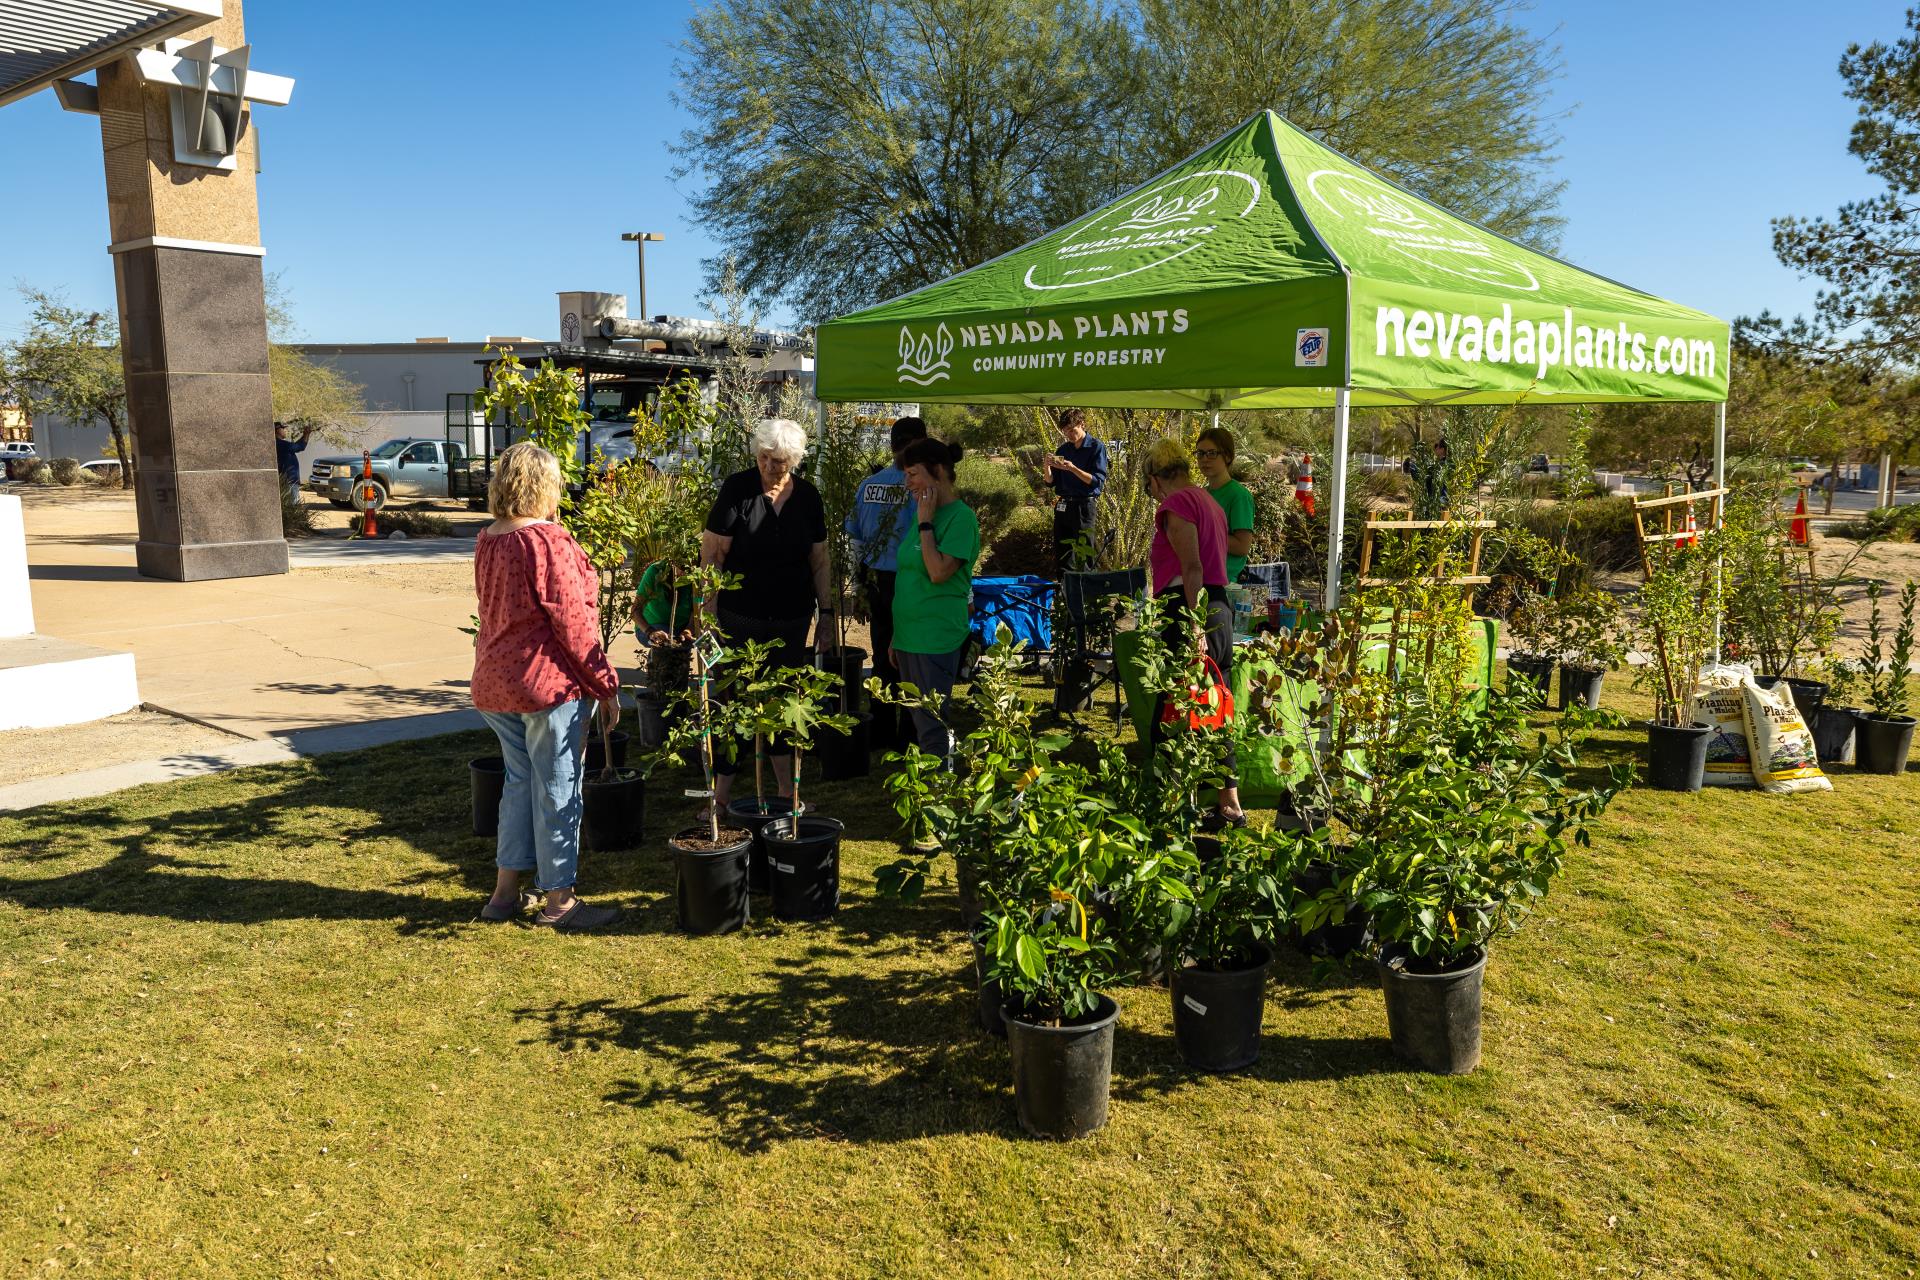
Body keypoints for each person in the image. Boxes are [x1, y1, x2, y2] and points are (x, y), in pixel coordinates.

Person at [470, 442, 622, 931]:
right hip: (545, 685)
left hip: (495, 681)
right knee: (558, 786)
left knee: (519, 784)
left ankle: (503, 895)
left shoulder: (488, 537)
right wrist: (605, 683)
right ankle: (559, 902)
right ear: (544, 485)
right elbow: (573, 623)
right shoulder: (548, 540)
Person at [700, 417, 833, 809]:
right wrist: (707, 618)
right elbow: (712, 557)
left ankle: (786, 793)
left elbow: (820, 560)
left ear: (793, 461)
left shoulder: (808, 497)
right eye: (764, 458)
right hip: (739, 618)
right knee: (731, 701)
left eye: (779, 461)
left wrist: (826, 613)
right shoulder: (737, 490)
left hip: (792, 619)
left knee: (784, 702)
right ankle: (721, 799)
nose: (770, 467)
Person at [1144, 437, 1244, 827]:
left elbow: (1192, 568)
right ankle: (1229, 803)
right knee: (1217, 707)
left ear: (1156, 478)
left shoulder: (1177, 503)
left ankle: (1169, 804)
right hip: (1218, 607)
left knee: (1172, 711)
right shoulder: (1210, 502)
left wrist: (1194, 623)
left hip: (1190, 609)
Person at [890, 437, 980, 762]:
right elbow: (910, 576)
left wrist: (926, 524)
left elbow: (938, 572)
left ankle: (937, 796)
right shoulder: (922, 515)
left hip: (936, 638)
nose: (907, 482)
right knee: (919, 719)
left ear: (938, 471)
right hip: (909, 638)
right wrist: (896, 636)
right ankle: (928, 790)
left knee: (932, 723)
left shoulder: (960, 518)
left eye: (913, 473)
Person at [844, 415, 928, 699]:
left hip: (875, 581)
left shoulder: (868, 485)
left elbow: (854, 540)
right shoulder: (920, 488)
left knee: (882, 654)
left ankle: (881, 724)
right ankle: (909, 730)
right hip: (912, 582)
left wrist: (857, 588)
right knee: (912, 658)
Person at [1044, 408, 1108, 573]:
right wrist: (1047, 466)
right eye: (1066, 432)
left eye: (1073, 430)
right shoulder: (1063, 450)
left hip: (1084, 507)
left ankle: (1087, 594)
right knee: (1062, 553)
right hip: (1063, 506)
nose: (1069, 435)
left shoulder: (1096, 447)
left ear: (1082, 424)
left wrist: (1073, 469)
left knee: (1085, 553)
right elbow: (1050, 482)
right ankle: (1065, 592)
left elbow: (1096, 481)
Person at [1195, 425, 1256, 582]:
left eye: (1212, 453)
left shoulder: (1239, 496)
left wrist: (1202, 534)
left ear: (1228, 456)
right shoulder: (1202, 494)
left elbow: (1242, 547)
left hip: (1224, 584)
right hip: (1198, 579)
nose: (1204, 459)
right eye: (1200, 453)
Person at [632, 558, 694, 647]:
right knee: (666, 640)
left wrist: (689, 630)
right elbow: (635, 610)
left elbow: (697, 610)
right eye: (682, 567)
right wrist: (650, 632)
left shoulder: (696, 576)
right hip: (649, 627)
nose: (684, 572)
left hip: (683, 628)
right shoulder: (655, 571)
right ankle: (657, 659)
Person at [274, 420, 312, 493]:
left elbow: (296, 446)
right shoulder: (281, 444)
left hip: (286, 481)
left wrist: (305, 435)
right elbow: (301, 446)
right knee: (293, 503)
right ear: (277, 430)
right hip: (289, 482)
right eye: (283, 429)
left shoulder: (278, 444)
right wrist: (307, 434)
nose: (285, 431)